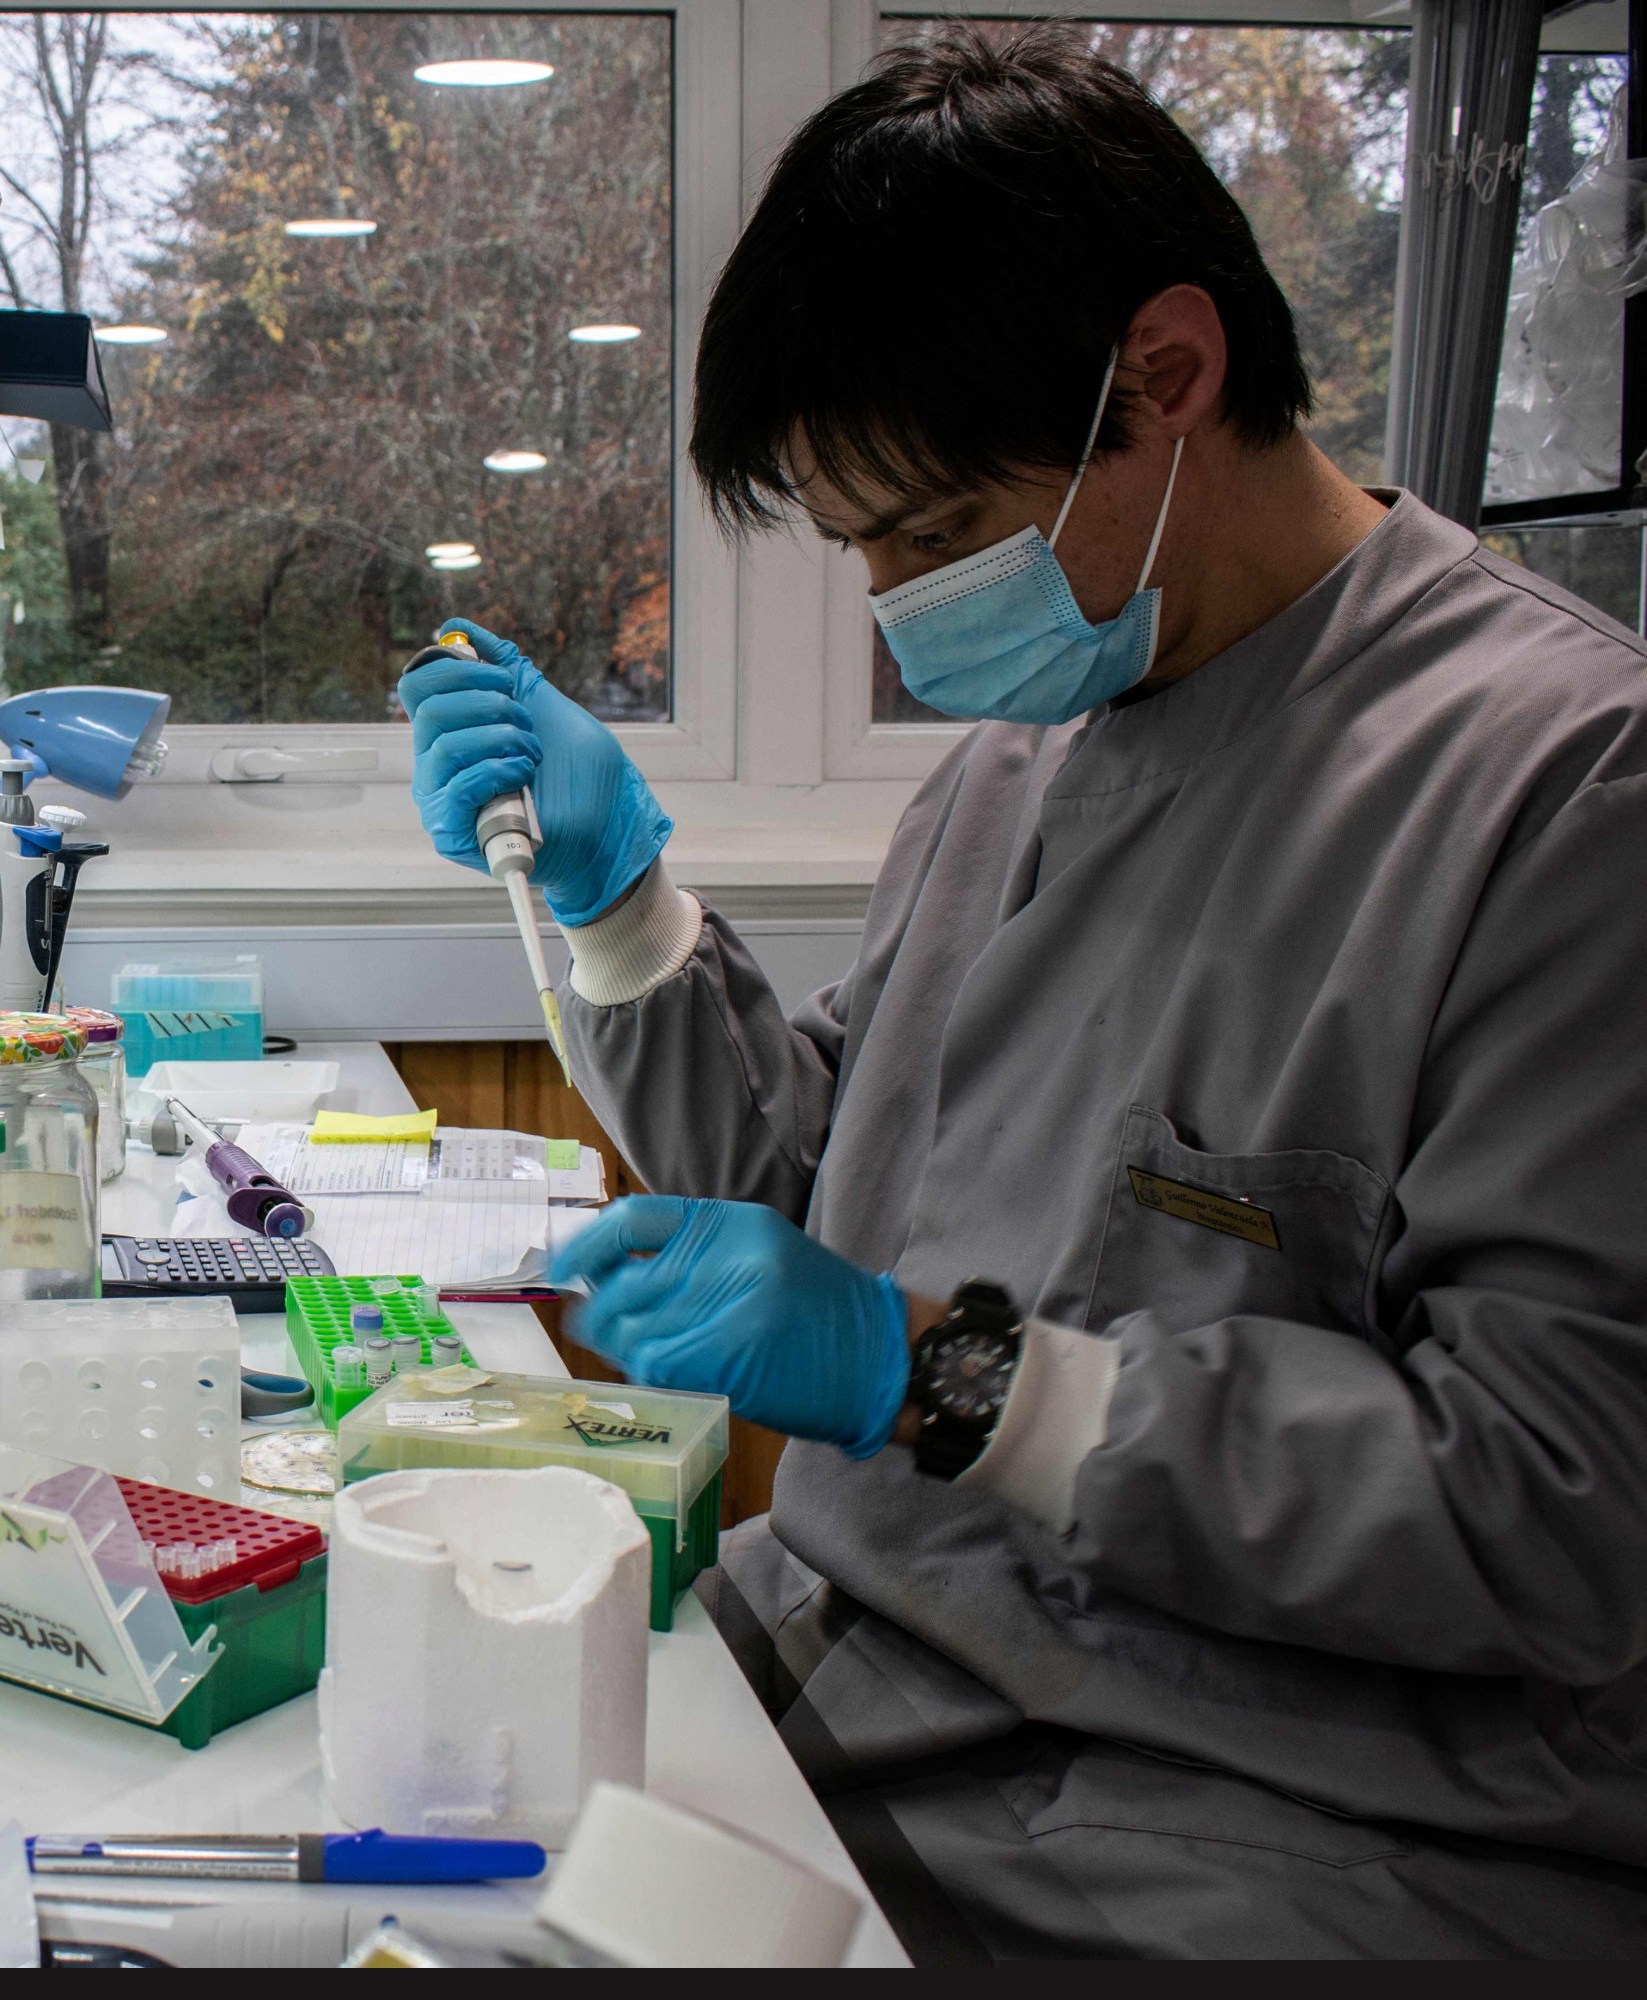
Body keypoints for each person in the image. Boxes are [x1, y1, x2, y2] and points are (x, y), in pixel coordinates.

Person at [402, 27, 1647, 1961]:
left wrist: (951, 1377)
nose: (902, 608)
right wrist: (622, 902)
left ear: (1168, 373)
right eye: (857, 548)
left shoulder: (1562, 792)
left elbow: (1557, 1511)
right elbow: (835, 1194)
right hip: (860, 1677)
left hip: (1237, 1823)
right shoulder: (1030, 749)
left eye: (936, 531)